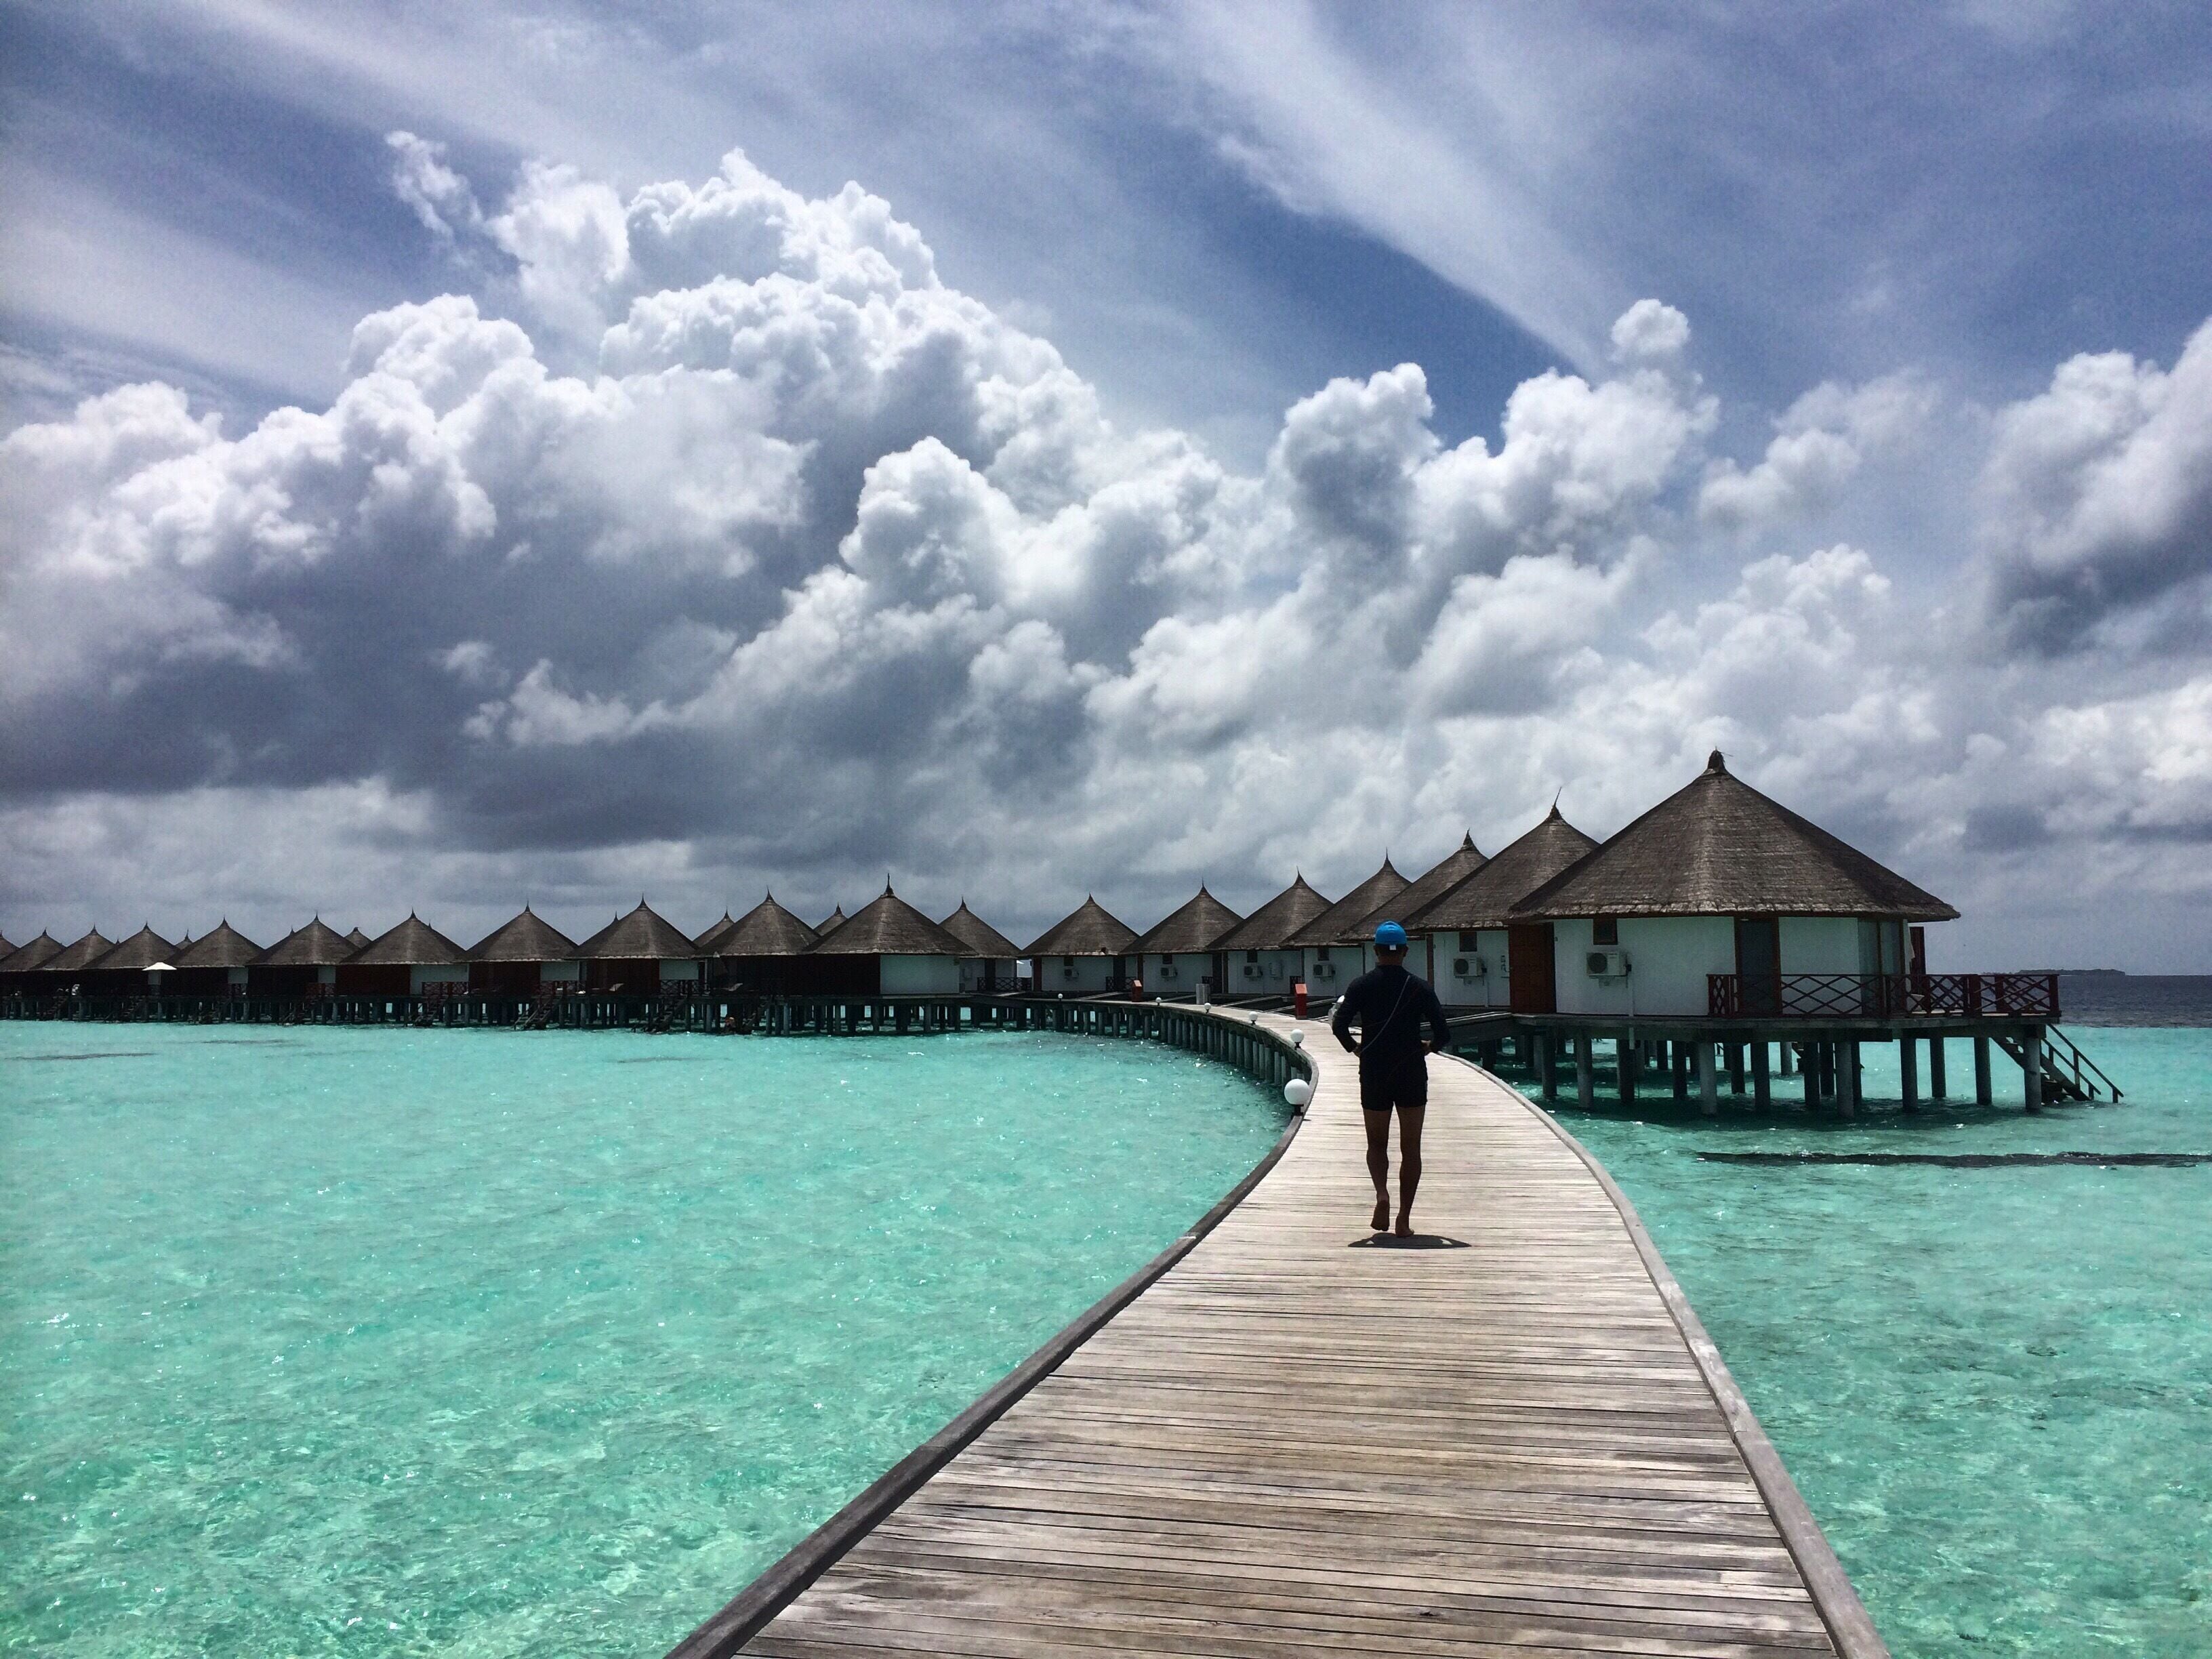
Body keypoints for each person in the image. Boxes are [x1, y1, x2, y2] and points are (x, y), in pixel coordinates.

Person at [1332, 921, 1450, 1236]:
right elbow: (1444, 1031)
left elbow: (1338, 1024)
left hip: (1374, 1071)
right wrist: (1430, 1048)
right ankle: (1404, 1219)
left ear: (1376, 951)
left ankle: (1381, 1195)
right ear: (1406, 951)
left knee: (1376, 1143)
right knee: (1411, 1148)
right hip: (1410, 1070)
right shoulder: (1420, 987)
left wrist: (1355, 1049)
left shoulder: (1361, 986)